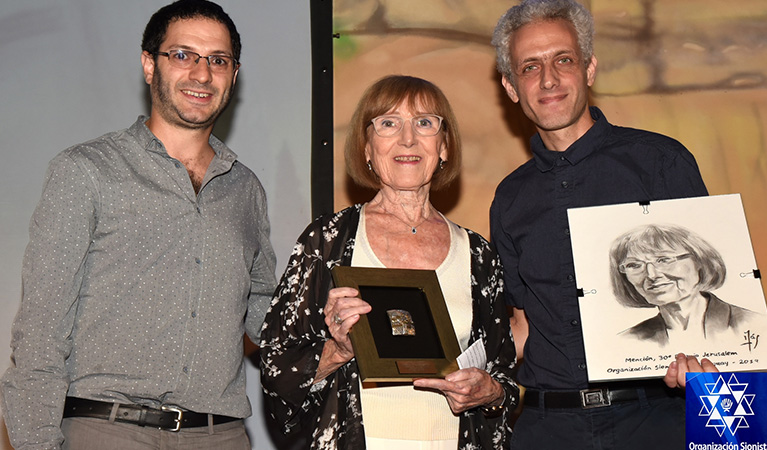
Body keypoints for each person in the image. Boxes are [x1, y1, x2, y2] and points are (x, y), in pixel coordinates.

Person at [0, 1, 277, 449]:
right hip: (105, 430)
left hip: (219, 437)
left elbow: (264, 310)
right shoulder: (86, 170)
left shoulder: (246, 190)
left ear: (233, 73)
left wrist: (339, 334)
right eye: (183, 55)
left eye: (218, 60)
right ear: (150, 65)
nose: (202, 74)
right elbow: (41, 330)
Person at [489, 0, 717, 448]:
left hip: (658, 421)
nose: (549, 79)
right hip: (547, 428)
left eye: (563, 60)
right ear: (511, 87)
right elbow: (522, 325)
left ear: (589, 69)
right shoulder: (510, 197)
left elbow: (719, 294)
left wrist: (712, 373)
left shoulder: (661, 162)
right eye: (530, 67)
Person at [260, 75, 518, 450]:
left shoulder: (478, 254)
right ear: (367, 148)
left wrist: (490, 392)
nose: (408, 139)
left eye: (425, 123)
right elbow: (275, 368)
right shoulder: (327, 243)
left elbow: (505, 379)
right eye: (388, 123)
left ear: (444, 147)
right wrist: (339, 349)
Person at [611, 223, 758, 346]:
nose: (652, 275)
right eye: (634, 265)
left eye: (664, 260)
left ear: (700, 261)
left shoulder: (752, 324)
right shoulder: (628, 340)